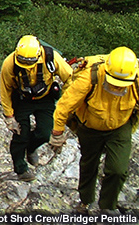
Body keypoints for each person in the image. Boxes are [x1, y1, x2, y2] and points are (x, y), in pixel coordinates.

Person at [49, 46, 139, 212]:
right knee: (89, 164)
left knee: (118, 170)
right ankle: (85, 201)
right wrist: (57, 133)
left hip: (120, 126)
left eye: (122, 85)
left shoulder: (137, 80)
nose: (118, 88)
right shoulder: (89, 78)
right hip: (89, 127)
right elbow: (63, 106)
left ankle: (107, 207)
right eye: (114, 83)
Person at [0, 35, 73, 181]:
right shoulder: (10, 63)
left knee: (46, 133)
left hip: (45, 97)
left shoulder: (51, 57)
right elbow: (5, 90)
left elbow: (70, 78)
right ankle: (21, 169)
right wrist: (9, 116)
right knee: (21, 134)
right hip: (22, 99)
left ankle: (31, 147)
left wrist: (64, 104)